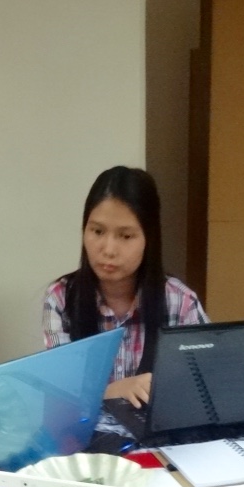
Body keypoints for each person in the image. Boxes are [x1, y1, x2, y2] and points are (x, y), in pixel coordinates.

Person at [42, 166, 208, 407]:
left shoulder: (180, 302)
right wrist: (115, 390)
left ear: (149, 239)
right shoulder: (61, 298)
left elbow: (206, 385)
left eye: (126, 236)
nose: (108, 249)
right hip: (83, 440)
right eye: (97, 231)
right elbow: (61, 392)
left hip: (158, 439)